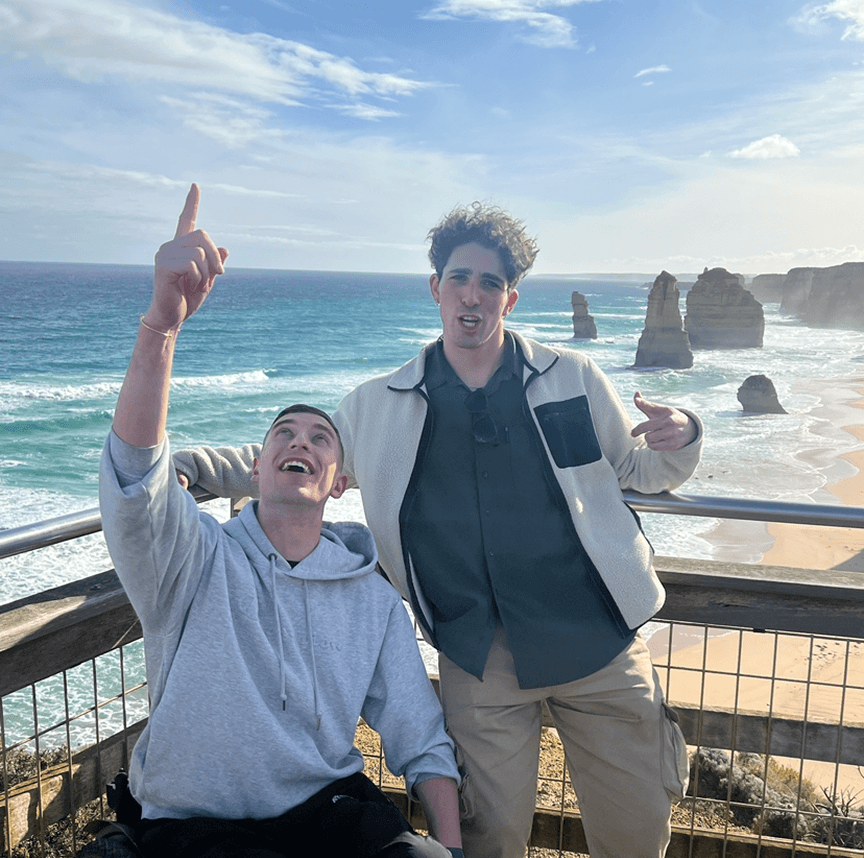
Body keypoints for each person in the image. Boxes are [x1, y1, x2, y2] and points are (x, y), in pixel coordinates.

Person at [174, 200, 703, 858]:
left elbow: (639, 468)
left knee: (637, 833)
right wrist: (189, 470)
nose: (472, 296)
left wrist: (682, 433)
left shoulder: (572, 377)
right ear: (435, 289)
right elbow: (300, 461)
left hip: (601, 648)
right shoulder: (376, 407)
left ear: (511, 297)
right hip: (480, 665)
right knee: (488, 840)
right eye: (459, 278)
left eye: (489, 283)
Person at [99, 185, 463, 858]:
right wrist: (162, 325)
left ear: (339, 484)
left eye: (320, 438)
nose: (301, 442)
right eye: (283, 435)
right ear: (257, 471)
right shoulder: (193, 561)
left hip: (327, 816)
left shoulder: (372, 599)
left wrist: (452, 849)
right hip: (191, 828)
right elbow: (134, 478)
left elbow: (422, 739)